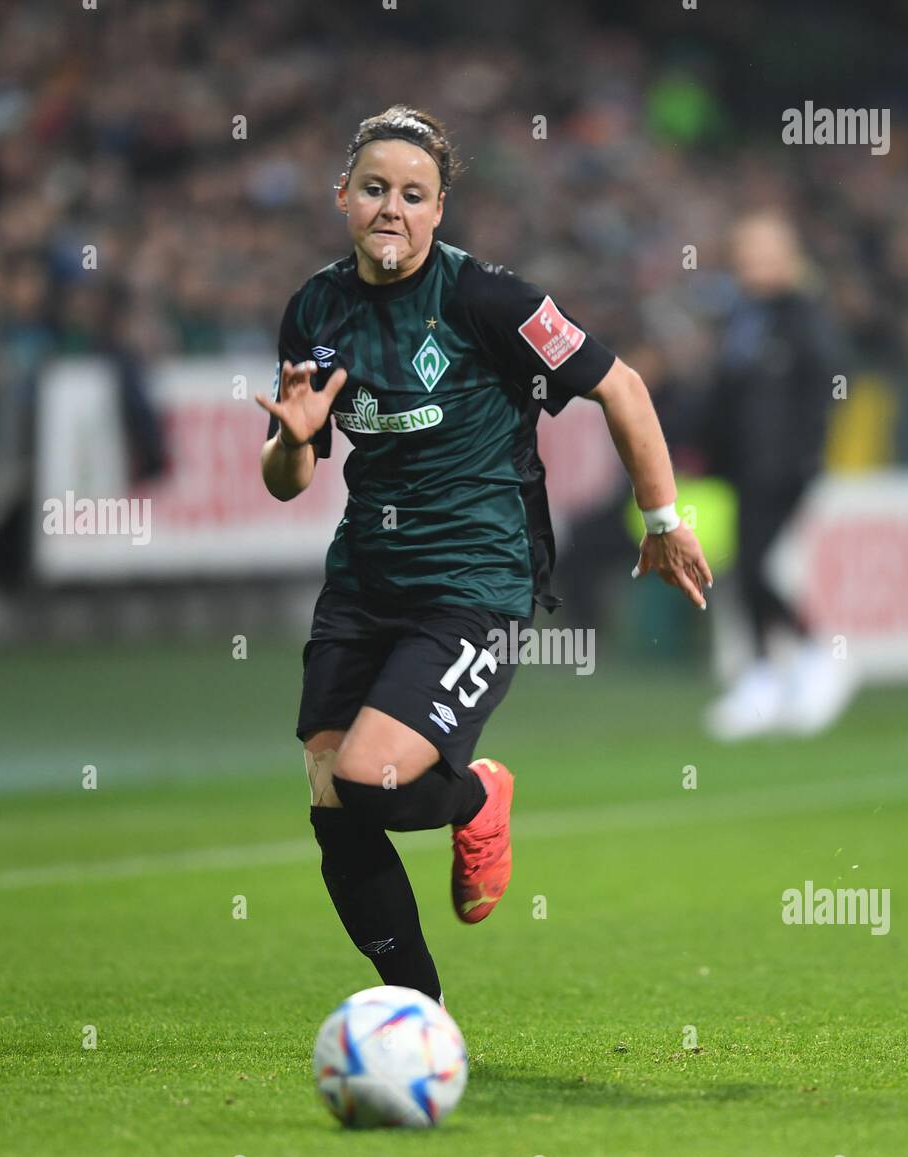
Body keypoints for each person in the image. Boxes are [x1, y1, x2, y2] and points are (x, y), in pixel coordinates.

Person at [256, 106, 712, 1007]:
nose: (392, 208)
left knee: (371, 779)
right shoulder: (313, 311)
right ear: (342, 196)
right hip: (361, 583)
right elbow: (288, 480)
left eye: (413, 194)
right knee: (333, 807)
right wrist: (293, 440)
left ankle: (475, 797)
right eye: (375, 188)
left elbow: (619, 384)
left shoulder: (486, 300)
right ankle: (417, 1016)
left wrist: (660, 517)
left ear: (438, 211)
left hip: (475, 581)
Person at [700, 210, 856, 739]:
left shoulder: (803, 316)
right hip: (742, 467)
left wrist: (803, 453)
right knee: (747, 570)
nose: (752, 263)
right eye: (745, 252)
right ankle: (767, 676)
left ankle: (813, 658)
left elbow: (830, 386)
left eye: (764, 252)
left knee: (754, 565)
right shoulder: (743, 317)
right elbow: (725, 398)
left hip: (783, 466)